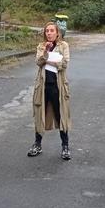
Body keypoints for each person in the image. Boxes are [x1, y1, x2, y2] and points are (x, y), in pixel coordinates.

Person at [28, 22, 72, 160]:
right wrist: (46, 53)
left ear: (57, 33)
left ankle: (65, 146)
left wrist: (49, 61)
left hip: (58, 86)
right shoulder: (41, 46)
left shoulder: (63, 46)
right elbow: (38, 61)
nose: (49, 33)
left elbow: (64, 64)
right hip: (43, 86)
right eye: (47, 31)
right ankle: (37, 144)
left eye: (52, 30)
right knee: (39, 114)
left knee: (61, 115)